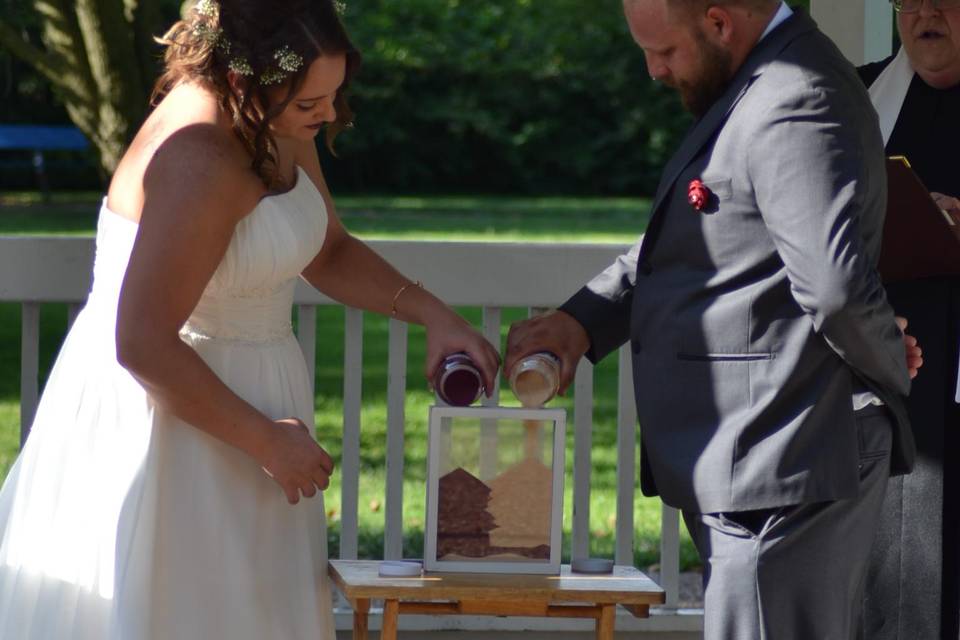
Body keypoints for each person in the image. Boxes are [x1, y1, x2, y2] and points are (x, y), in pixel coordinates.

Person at [0, 1, 500, 638]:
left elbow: (329, 248)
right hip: (180, 425)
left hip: (256, 417)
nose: (329, 117)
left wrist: (434, 315)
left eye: (335, 96)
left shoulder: (275, 125)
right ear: (243, 81)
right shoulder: (200, 157)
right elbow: (142, 341)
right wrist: (264, 439)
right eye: (310, 104)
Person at [506, 1, 922, 638]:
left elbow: (833, 288)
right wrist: (583, 321)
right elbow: (709, 245)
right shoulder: (758, 80)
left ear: (720, 21)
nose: (653, 71)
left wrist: (889, 366)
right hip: (754, 464)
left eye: (665, 51)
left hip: (782, 463)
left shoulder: (796, 94)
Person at [857, 1, 960, 638]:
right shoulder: (858, 95)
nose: (924, 10)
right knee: (892, 600)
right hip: (884, 391)